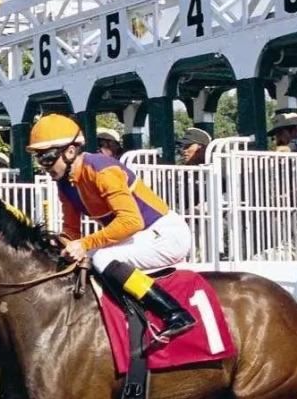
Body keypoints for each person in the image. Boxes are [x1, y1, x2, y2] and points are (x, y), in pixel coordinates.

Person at [28, 114, 196, 340]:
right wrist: (56, 249)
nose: (44, 166)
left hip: (166, 234)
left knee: (101, 258)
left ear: (70, 151)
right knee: (84, 258)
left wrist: (84, 244)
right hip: (140, 237)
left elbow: (131, 221)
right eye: (39, 159)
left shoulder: (102, 170)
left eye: (47, 158)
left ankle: (174, 313)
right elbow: (71, 231)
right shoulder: (64, 184)